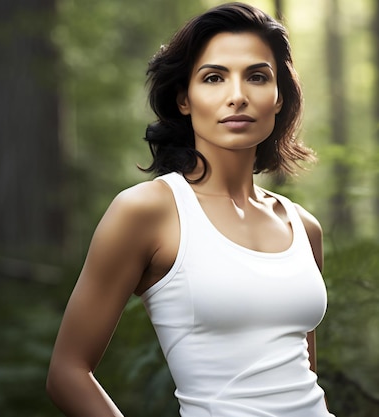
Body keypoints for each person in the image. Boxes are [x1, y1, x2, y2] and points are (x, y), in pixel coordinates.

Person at [46, 2, 334, 416]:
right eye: (214, 78)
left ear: (278, 97)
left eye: (257, 76)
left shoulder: (304, 227)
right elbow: (67, 372)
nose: (237, 96)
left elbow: (301, 375)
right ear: (184, 98)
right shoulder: (147, 212)